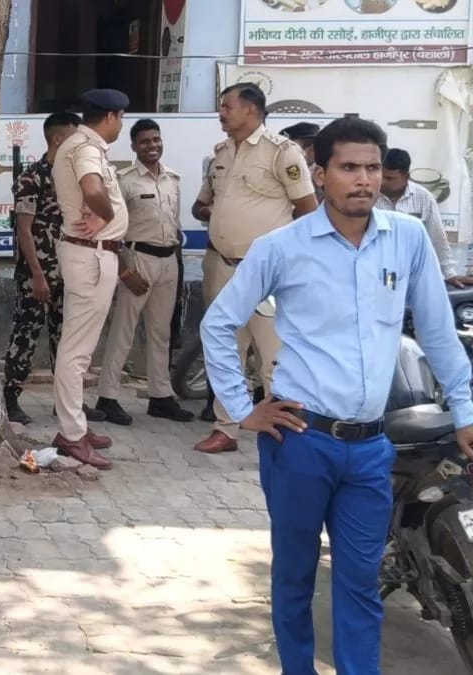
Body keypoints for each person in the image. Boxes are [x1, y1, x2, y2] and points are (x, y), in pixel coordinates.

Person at [202, 116, 473, 675]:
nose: (364, 179)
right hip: (301, 441)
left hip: (372, 448)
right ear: (320, 174)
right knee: (295, 577)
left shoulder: (407, 238)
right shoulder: (283, 247)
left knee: (360, 583)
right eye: (349, 167)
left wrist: (465, 409)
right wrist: (244, 408)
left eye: (372, 167)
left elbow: (438, 332)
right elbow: (218, 323)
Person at [191, 83, 317, 454]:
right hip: (222, 265)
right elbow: (201, 205)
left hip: (267, 273)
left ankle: (287, 432)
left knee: (274, 353)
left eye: (226, 106)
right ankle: (225, 428)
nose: (221, 112)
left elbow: (307, 209)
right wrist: (222, 215)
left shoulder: (282, 152)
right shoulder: (221, 153)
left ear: (251, 109)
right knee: (227, 348)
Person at [3, 112, 107, 426]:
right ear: (59, 140)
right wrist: (37, 274)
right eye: (74, 138)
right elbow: (24, 230)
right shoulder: (32, 178)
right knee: (26, 334)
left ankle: (67, 402)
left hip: (71, 269)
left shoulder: (74, 177)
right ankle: (10, 398)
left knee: (68, 338)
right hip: (38, 272)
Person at [48, 89, 131, 470]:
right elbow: (93, 189)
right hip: (91, 254)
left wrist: (103, 213)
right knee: (77, 352)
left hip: (90, 252)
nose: (121, 124)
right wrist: (105, 213)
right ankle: (72, 434)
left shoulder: (80, 144)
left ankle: (75, 423)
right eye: (121, 118)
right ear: (111, 116)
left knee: (79, 349)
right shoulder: (85, 148)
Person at [94, 118, 194, 425]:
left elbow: (175, 225)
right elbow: (111, 230)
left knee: (161, 333)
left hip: (168, 261)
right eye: (145, 141)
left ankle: (160, 396)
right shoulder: (124, 181)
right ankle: (107, 396)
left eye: (156, 139)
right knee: (123, 331)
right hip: (138, 259)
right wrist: (125, 271)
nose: (152, 145)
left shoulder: (173, 179)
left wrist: (177, 263)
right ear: (134, 146)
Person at [377, 147, 473, 288]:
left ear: (405, 177)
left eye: (389, 178)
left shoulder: (424, 198)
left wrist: (449, 273)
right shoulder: (370, 197)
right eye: (381, 176)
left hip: (413, 272)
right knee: (387, 295)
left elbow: (437, 237)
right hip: (378, 271)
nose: (382, 182)